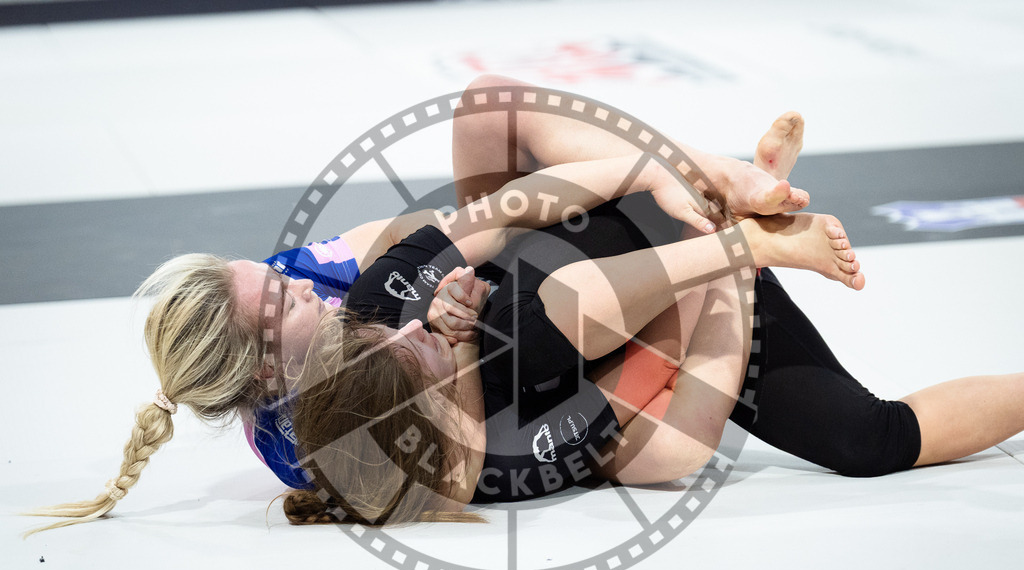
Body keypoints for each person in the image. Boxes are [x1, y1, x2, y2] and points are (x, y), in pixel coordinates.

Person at [24, 75, 813, 534]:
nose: (294, 279)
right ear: (271, 369)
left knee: (486, 105)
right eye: (282, 296)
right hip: (484, 392)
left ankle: (712, 178)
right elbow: (462, 467)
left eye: (274, 270)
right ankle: (725, 258)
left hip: (476, 301)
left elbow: (427, 233)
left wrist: (463, 270)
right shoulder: (307, 442)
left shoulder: (316, 281)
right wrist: (461, 341)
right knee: (661, 449)